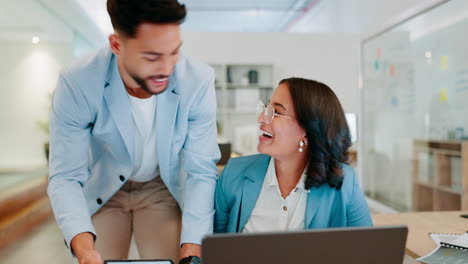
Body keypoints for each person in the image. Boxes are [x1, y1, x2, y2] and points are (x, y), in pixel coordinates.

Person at [47, 1, 219, 264]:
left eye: (174, 52)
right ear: (116, 45)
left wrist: (193, 249)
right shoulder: (78, 81)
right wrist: (85, 251)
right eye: (152, 56)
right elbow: (66, 176)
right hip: (103, 189)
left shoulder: (197, 80)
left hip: (161, 187)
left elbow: (201, 171)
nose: (167, 68)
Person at [214, 77, 372, 234]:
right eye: (266, 108)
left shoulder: (344, 182)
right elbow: (214, 250)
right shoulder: (234, 173)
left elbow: (367, 251)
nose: (261, 118)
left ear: (308, 130)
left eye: (275, 112)